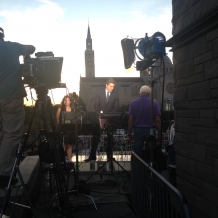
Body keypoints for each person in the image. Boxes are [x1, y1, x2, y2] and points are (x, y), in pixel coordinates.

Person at [0, 27, 35, 187]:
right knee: (12, 134)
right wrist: (25, 55)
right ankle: (3, 174)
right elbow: (32, 48)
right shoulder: (10, 46)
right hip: (10, 96)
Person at [84, 78, 120, 162]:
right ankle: (92, 156)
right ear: (106, 85)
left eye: (113, 86)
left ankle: (109, 156)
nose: (112, 88)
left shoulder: (115, 95)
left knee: (110, 139)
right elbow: (96, 105)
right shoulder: (99, 93)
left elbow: (116, 107)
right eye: (111, 86)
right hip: (99, 120)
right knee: (95, 138)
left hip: (110, 121)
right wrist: (100, 116)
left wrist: (109, 117)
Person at [128, 85, 161, 158]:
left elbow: (130, 120)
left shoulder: (133, 103)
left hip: (138, 131)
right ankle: (149, 167)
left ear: (140, 93)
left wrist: (129, 134)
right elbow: (158, 120)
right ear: (149, 93)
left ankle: (138, 168)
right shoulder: (154, 103)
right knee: (150, 153)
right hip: (151, 131)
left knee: (137, 153)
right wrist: (159, 134)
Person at [56, 95, 74, 162]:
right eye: (65, 100)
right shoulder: (60, 108)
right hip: (62, 128)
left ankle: (69, 159)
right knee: (63, 143)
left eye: (68, 100)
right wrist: (61, 126)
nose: (66, 101)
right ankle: (62, 159)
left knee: (69, 144)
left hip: (70, 129)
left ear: (70, 101)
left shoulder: (73, 109)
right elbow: (57, 118)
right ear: (63, 101)